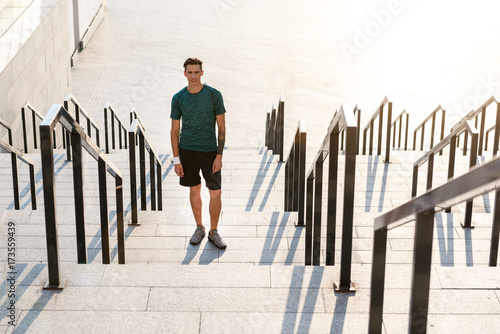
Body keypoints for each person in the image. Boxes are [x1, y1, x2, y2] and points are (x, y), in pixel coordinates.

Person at [170, 57, 227, 249]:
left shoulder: (214, 95)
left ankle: (214, 231)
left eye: (196, 72)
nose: (193, 76)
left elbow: (221, 128)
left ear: (202, 73)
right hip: (187, 151)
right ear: (184, 73)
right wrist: (177, 159)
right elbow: (174, 131)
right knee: (194, 189)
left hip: (210, 151)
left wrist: (219, 155)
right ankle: (199, 227)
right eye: (190, 72)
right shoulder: (178, 98)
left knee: (216, 192)